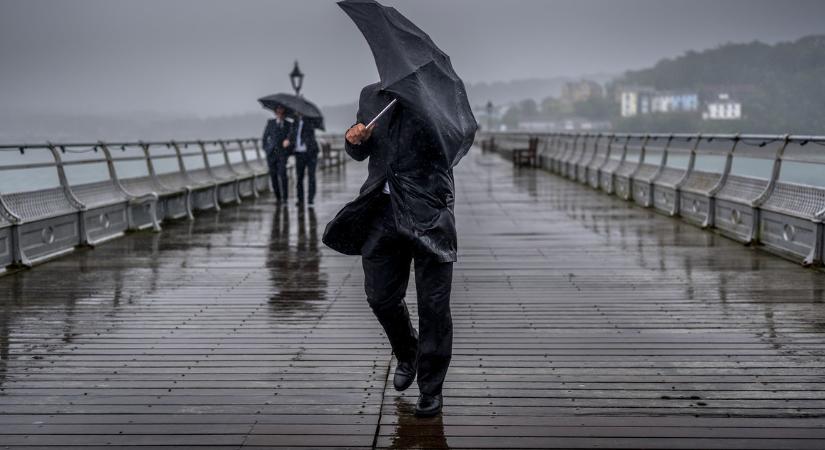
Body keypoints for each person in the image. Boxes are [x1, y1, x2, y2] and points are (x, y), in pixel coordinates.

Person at [323, 83, 456, 417]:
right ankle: (407, 351)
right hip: (381, 210)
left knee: (434, 306)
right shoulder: (371, 96)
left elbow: (452, 146)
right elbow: (361, 152)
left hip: (429, 211)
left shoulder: (437, 96)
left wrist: (423, 109)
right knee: (380, 296)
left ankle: (430, 389)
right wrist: (353, 139)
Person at [261, 106, 292, 203]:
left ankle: (285, 198)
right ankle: (278, 197)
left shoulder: (288, 124)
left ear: (284, 114)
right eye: (278, 112)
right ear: (275, 113)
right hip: (271, 154)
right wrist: (266, 149)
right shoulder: (270, 123)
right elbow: (265, 138)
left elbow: (292, 137)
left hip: (282, 154)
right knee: (273, 176)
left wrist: (288, 141)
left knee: (283, 175)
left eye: (282, 113)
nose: (280, 114)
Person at [289, 113, 320, 207]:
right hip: (299, 154)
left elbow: (310, 134)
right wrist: (289, 141)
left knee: (311, 177)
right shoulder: (294, 123)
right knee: (299, 178)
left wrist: (306, 122)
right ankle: (300, 199)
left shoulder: (309, 121)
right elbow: (292, 136)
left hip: (311, 153)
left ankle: (310, 200)